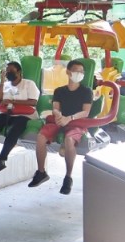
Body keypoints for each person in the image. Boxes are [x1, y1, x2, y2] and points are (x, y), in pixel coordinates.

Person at [28, 59, 93, 195]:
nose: (79, 74)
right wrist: (59, 116)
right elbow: (56, 108)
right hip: (60, 121)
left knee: (69, 140)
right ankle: (41, 172)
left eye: (82, 72)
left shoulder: (86, 91)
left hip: (77, 122)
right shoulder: (59, 91)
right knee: (41, 137)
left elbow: (85, 112)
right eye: (76, 71)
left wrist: (69, 118)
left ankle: (68, 177)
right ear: (68, 72)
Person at [0, 61, 40, 170]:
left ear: (19, 72)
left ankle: (3, 158)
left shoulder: (29, 84)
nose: (8, 73)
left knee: (14, 130)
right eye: (7, 71)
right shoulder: (5, 85)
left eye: (11, 71)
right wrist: (2, 82)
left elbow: (33, 102)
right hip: (8, 113)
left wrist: (13, 101)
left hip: (25, 115)